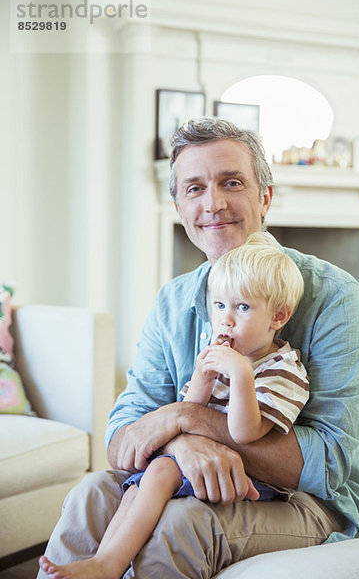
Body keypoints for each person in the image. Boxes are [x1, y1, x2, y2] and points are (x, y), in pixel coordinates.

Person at [37, 118, 359, 579]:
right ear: (179, 207)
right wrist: (183, 444)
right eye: (194, 189)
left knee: (181, 524)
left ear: (264, 197)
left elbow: (329, 465)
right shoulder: (173, 301)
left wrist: (187, 419)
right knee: (89, 496)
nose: (213, 204)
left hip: (314, 502)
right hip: (196, 478)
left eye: (231, 182)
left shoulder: (331, 294)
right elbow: (123, 434)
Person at [39, 233, 309, 579]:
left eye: (242, 307)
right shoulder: (226, 358)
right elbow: (188, 412)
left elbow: (244, 432)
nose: (226, 319)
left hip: (251, 478)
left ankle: (109, 565)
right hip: (204, 464)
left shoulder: (283, 369)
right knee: (134, 487)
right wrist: (203, 374)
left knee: (162, 471)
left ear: (278, 316)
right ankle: (103, 560)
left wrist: (240, 375)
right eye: (219, 306)